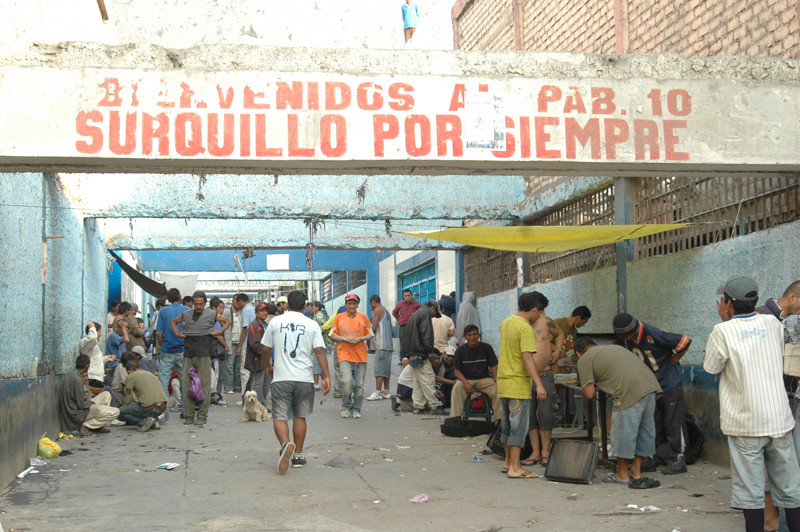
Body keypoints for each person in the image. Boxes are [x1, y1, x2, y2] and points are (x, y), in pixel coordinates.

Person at [704, 276, 800, 531]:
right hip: (779, 419)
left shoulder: (722, 331)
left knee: (752, 493)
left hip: (746, 424)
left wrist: (725, 322)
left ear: (727, 304)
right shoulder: (773, 323)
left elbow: (712, 368)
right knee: (790, 488)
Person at [575, 337, 662, 489]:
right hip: (650, 387)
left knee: (623, 432)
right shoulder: (614, 348)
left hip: (628, 391)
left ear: (578, 353)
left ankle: (622, 474)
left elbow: (589, 394)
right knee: (643, 431)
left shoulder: (584, 359)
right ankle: (636, 471)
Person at [613, 312, 691, 475]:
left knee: (673, 421)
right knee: (650, 422)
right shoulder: (627, 340)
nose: (624, 341)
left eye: (625, 337)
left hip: (669, 382)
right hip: (651, 385)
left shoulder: (652, 333)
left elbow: (684, 341)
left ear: (631, 332)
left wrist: (676, 358)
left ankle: (679, 458)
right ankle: (648, 458)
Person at [261, 290, 330, 474]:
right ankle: (298, 455)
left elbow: (265, 348)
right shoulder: (312, 324)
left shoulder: (275, 322)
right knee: (300, 417)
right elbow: (320, 351)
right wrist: (326, 376)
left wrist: (267, 366)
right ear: (305, 306)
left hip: (281, 378)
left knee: (280, 416)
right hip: (304, 379)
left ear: (287, 305)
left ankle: (285, 445)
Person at [497, 291, 548, 479]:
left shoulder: (506, 323)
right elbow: (527, 358)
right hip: (518, 384)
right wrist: (539, 383)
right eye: (540, 312)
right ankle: (515, 467)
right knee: (518, 428)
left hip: (503, 383)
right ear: (534, 310)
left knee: (507, 426)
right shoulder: (525, 328)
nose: (540, 317)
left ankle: (507, 462)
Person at [171, 291, 231, 427]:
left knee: (205, 386)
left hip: (204, 353)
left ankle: (202, 416)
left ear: (205, 303)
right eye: (196, 304)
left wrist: (219, 332)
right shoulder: (186, 314)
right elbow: (174, 322)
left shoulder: (211, 314)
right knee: (186, 385)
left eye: (200, 304)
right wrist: (177, 334)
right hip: (188, 353)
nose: (198, 306)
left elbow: (228, 321)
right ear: (193, 303)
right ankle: (189, 415)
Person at [523, 313, 565, 467]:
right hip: (525, 377)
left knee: (546, 414)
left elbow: (560, 333)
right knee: (530, 416)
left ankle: (545, 452)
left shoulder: (546, 322)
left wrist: (558, 350)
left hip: (545, 375)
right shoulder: (519, 323)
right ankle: (535, 451)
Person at [329, 294, 373, 419]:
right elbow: (332, 334)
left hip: (360, 356)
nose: (352, 306)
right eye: (349, 303)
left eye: (354, 303)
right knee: (347, 381)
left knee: (359, 385)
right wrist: (344, 338)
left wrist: (361, 338)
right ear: (346, 304)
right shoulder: (339, 318)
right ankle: (346, 406)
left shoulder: (363, 317)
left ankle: (356, 409)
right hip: (344, 355)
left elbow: (370, 333)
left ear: (357, 304)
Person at [401, 300, 446, 415]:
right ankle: (435, 405)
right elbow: (426, 334)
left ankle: (418, 406)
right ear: (432, 308)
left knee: (418, 381)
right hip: (421, 352)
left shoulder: (415, 314)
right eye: (435, 313)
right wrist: (430, 351)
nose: (433, 316)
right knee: (427, 378)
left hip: (413, 352)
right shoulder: (425, 314)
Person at [59, 354, 120, 436]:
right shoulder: (77, 380)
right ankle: (87, 425)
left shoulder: (69, 375)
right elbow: (82, 404)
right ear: (87, 366)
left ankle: (98, 425)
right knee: (115, 412)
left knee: (106, 394)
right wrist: (93, 404)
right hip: (77, 414)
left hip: (77, 408)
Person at [451, 324, 500, 422]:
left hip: (483, 379)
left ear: (478, 335)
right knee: (457, 388)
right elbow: (457, 371)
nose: (472, 337)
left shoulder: (486, 348)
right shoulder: (460, 351)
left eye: (474, 334)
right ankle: (455, 420)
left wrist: (496, 378)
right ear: (465, 337)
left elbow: (494, 365)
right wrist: (466, 383)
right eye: (469, 335)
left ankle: (498, 420)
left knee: (498, 389)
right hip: (467, 379)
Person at [155, 288, 189, 410]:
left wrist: (162, 345)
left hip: (167, 350)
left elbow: (158, 332)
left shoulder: (163, 311)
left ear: (168, 299)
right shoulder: (187, 310)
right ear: (180, 297)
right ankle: (186, 409)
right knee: (184, 380)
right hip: (183, 350)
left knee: (163, 381)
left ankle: (164, 411)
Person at [117, 360, 168, 432]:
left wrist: (125, 406)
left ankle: (143, 422)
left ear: (129, 371)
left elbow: (129, 396)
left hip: (149, 408)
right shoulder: (150, 374)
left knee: (120, 412)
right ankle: (153, 422)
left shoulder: (130, 377)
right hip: (162, 407)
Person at [244, 302, 272, 409]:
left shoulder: (265, 324)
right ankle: (254, 406)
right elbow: (255, 344)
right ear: (256, 313)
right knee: (258, 384)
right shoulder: (254, 325)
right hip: (258, 359)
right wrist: (265, 351)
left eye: (265, 310)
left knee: (266, 383)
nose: (264, 313)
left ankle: (262, 405)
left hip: (267, 358)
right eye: (261, 310)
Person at [367, 294, 394, 401]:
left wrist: (366, 326)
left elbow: (373, 328)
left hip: (381, 343)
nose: (371, 307)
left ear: (374, 302)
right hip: (389, 345)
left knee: (379, 370)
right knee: (386, 369)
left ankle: (378, 392)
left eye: (371, 305)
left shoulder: (378, 309)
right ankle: (386, 391)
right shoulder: (386, 311)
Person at [81, 322, 114, 389]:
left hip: (97, 379)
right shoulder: (86, 343)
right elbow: (93, 338)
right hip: (92, 379)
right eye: (99, 332)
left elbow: (94, 359)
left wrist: (106, 358)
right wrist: (92, 327)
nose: (101, 334)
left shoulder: (94, 346)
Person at [234, 293, 256, 394]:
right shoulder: (253, 309)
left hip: (246, 345)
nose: (237, 305)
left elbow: (244, 330)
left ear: (241, 301)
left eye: (237, 302)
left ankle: (245, 395)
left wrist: (239, 347)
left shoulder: (246, 311)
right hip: (254, 344)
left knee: (244, 371)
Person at [209, 297, 229, 406]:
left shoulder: (209, 318)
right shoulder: (215, 319)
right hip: (216, 352)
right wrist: (226, 345)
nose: (221, 310)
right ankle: (216, 396)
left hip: (212, 351)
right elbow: (218, 335)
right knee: (217, 376)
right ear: (214, 308)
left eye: (223, 308)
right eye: (220, 308)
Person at [392, 289, 422, 354]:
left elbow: (422, 313)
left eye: (408, 295)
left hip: (413, 327)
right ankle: (402, 358)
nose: (407, 297)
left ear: (411, 296)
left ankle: (411, 357)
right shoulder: (400, 304)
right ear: (403, 296)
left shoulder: (417, 304)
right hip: (403, 327)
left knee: (412, 342)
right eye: (405, 296)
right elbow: (394, 312)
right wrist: (399, 319)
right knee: (403, 343)